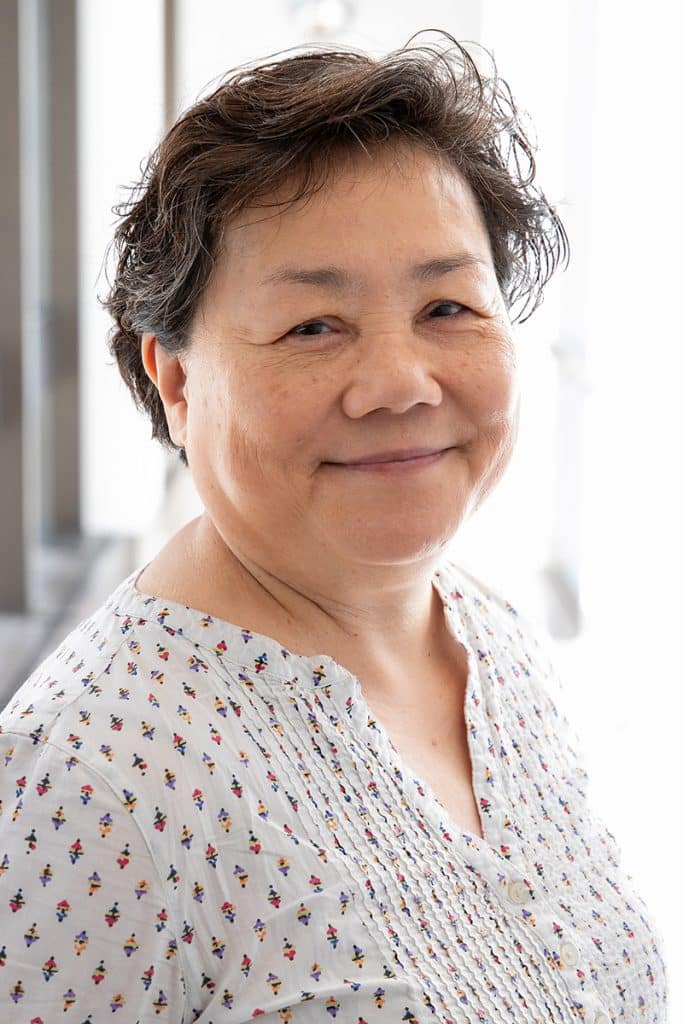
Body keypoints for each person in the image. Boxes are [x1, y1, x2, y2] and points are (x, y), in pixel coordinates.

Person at [0, 31, 667, 1024]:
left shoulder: (488, 638)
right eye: (314, 326)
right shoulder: (91, 780)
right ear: (176, 381)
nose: (401, 382)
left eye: (446, 305)